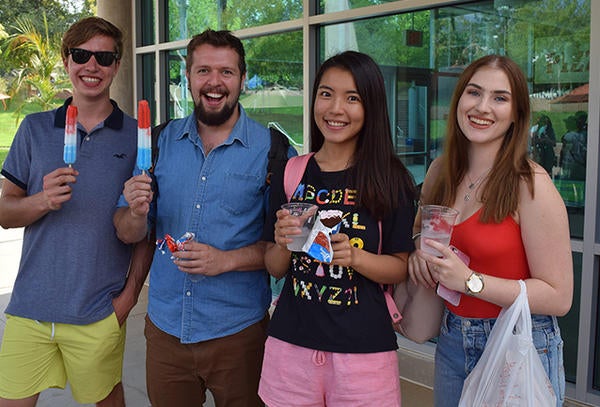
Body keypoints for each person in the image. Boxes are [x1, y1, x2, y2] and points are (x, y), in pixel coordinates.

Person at [113, 29, 295, 407]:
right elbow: (129, 233)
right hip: (166, 331)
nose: (215, 82)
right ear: (189, 77)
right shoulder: (159, 142)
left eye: (227, 72)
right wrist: (133, 212)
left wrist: (224, 260)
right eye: (204, 71)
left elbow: (281, 250)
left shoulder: (275, 152)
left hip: (239, 333)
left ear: (243, 79)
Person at [407, 55, 573, 407]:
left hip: (516, 343)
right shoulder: (440, 172)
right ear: (459, 101)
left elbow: (559, 297)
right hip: (452, 339)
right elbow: (421, 232)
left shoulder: (532, 185)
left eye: (500, 98)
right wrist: (419, 250)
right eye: (474, 92)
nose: (483, 107)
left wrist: (469, 281)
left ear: (516, 114)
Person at [0, 17, 147, 406]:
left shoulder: (138, 137)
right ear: (67, 60)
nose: (91, 66)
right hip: (29, 310)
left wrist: (127, 299)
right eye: (81, 55)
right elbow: (4, 212)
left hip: (97, 313)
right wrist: (41, 200)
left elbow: (143, 230)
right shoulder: (34, 129)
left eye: (104, 57)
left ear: (116, 65)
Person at [258, 51, 417, 406]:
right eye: (326, 94)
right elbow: (273, 265)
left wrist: (356, 257)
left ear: (371, 106)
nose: (335, 109)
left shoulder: (391, 180)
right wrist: (283, 242)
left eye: (352, 98)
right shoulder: (290, 173)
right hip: (290, 349)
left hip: (364, 355)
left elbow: (400, 266)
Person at [559, 110, 587, 180]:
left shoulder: (570, 136)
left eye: (568, 123)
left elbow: (566, 151)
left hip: (572, 165)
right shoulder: (580, 135)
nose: (566, 124)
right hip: (577, 165)